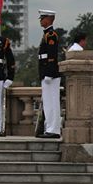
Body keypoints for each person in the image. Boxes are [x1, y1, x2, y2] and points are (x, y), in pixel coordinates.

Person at [37, 9, 61, 139]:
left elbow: (52, 56)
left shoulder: (51, 35)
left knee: (52, 102)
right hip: (46, 72)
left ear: (49, 19)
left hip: (50, 73)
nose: (41, 21)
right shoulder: (46, 34)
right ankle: (49, 128)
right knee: (47, 102)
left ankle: (54, 129)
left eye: (43, 18)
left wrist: (49, 73)